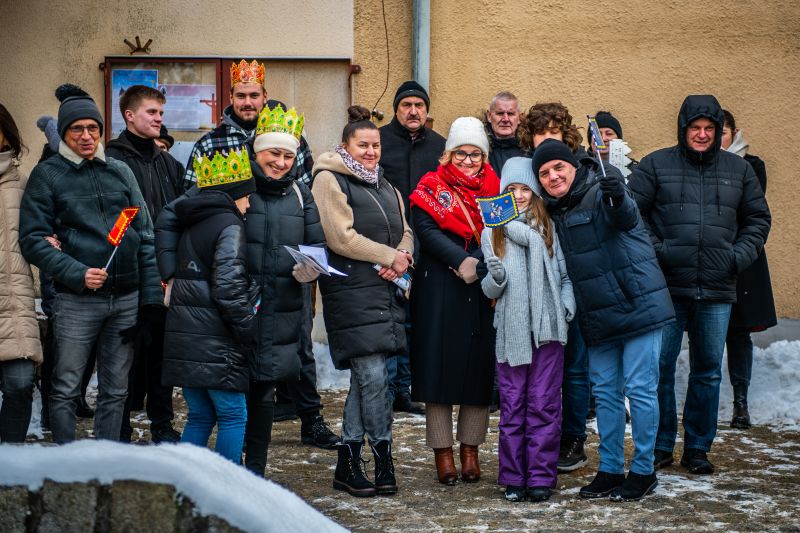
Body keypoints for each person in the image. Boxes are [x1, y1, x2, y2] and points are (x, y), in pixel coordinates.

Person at [180, 61, 332, 448]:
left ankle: (308, 416)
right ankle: (232, 437)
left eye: (255, 96)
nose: (248, 102)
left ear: (265, 98)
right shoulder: (210, 143)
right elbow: (187, 206)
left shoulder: (290, 139)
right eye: (241, 95)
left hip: (283, 272)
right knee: (239, 363)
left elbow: (302, 194)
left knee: (296, 349)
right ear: (230, 98)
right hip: (237, 273)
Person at [630, 95, 771, 475]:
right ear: (683, 128)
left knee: (707, 369)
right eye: (696, 128)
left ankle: (697, 447)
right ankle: (660, 445)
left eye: (710, 129)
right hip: (666, 288)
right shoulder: (655, 164)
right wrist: (658, 251)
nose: (703, 134)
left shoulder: (738, 171)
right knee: (658, 368)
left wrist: (736, 257)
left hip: (717, 288)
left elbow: (758, 220)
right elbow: (632, 214)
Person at [19, 84, 162, 444]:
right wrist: (76, 272)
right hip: (76, 301)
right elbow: (33, 240)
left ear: (101, 130)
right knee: (66, 387)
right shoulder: (48, 175)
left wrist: (149, 302)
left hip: (126, 299)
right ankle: (68, 461)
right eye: (76, 129)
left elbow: (144, 234)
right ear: (64, 134)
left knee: (116, 390)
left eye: (93, 128)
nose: (86, 136)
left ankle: (106, 459)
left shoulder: (119, 171)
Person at [534, 139, 675, 501]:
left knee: (641, 390)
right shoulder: (553, 210)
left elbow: (624, 214)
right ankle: (610, 468)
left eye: (558, 168)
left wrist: (617, 195)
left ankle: (643, 471)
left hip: (637, 304)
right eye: (545, 173)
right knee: (607, 394)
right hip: (597, 314)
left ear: (573, 167)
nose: (553, 176)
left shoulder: (600, 188)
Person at [312, 105, 413, 497]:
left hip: (385, 291)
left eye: (375, 145)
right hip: (350, 291)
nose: (371, 151)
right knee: (373, 376)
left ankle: (348, 460)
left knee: (366, 379)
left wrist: (402, 256)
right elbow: (340, 238)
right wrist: (390, 256)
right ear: (345, 146)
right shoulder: (329, 180)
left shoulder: (386, 186)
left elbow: (405, 231)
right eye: (363, 145)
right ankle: (383, 453)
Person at [240, 103, 331, 475]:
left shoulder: (299, 193)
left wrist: (310, 270)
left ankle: (255, 469)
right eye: (272, 153)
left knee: (264, 390)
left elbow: (317, 245)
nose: (279, 162)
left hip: (283, 306)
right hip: (240, 304)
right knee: (235, 394)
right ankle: (229, 464)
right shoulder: (236, 188)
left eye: (287, 155)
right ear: (256, 151)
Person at [409, 116, 499, 486]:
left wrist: (476, 261)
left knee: (477, 372)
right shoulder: (430, 186)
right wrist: (458, 259)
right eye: (460, 153)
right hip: (439, 287)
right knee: (438, 370)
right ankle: (443, 453)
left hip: (480, 286)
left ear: (484, 157)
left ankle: (470, 450)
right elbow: (425, 229)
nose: (467, 160)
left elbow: (500, 230)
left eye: (475, 154)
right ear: (448, 155)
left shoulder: (495, 188)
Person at [480, 157, 575, 502]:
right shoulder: (492, 230)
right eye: (511, 189)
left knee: (544, 405)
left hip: (548, 331)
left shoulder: (547, 228)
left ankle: (540, 476)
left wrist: (565, 308)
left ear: (535, 192)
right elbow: (488, 290)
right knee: (514, 406)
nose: (518, 195)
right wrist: (496, 277)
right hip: (512, 332)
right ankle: (513, 477)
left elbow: (565, 277)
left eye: (524, 189)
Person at [159, 149, 259, 463]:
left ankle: (185, 486)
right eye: (247, 195)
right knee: (233, 415)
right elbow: (228, 288)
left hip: (186, 334)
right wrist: (247, 328)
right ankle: (226, 489)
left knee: (200, 415)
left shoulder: (193, 220)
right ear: (236, 193)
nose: (250, 203)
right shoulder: (229, 225)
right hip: (216, 339)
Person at [106, 84, 185, 444]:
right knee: (123, 356)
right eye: (152, 112)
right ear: (129, 115)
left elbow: (180, 214)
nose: (159, 119)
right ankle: (119, 425)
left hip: (165, 275)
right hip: (126, 275)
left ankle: (162, 424)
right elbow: (111, 221)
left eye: (160, 113)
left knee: (161, 356)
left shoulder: (168, 163)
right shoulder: (111, 160)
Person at [519, 101, 591, 472]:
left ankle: (573, 436)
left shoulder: (574, 170)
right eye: (540, 132)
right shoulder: (527, 176)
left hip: (575, 279)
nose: (547, 138)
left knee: (576, 366)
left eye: (554, 131)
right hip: (535, 285)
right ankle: (541, 436)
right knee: (543, 369)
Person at [379, 80, 446, 415]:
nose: (413, 111)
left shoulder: (439, 146)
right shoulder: (379, 141)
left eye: (419, 105)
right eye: (407, 105)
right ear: (397, 109)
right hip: (388, 243)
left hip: (428, 243)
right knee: (392, 318)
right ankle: (389, 390)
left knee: (417, 321)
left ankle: (409, 388)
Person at [720, 109, 777, 429]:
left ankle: (740, 402)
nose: (717, 138)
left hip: (743, 260)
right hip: (708, 261)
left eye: (723, 132)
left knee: (739, 334)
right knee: (707, 333)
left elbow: (748, 210)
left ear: (734, 132)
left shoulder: (751, 166)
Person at [0, 103, 43, 443]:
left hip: (15, 305)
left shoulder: (22, 183)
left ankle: (9, 461)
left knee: (19, 385)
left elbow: (36, 237)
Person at [485, 91, 527, 176]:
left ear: (519, 117)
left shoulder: (529, 149)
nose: (505, 119)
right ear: (489, 116)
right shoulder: (479, 149)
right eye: (500, 113)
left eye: (510, 114)